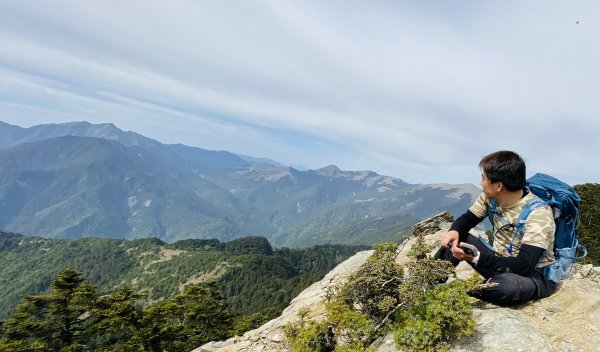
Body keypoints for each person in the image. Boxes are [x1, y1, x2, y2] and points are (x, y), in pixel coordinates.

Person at [434, 150, 557, 306]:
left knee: (507, 287)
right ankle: (428, 284)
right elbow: (468, 218)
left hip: (532, 274)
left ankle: (459, 292)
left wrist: (477, 258)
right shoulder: (490, 198)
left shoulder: (538, 214)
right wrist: (454, 230)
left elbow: (525, 264)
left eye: (483, 178)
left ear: (498, 186)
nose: (481, 183)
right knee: (456, 240)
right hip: (500, 261)